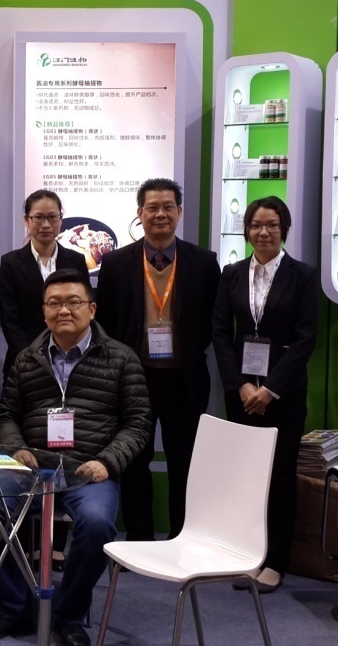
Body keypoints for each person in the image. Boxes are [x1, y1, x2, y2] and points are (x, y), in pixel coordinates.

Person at [0, 269, 151, 646]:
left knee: (97, 523)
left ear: (92, 309)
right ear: (44, 311)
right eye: (54, 303)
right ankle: (13, 607)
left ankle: (68, 613)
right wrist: (16, 447)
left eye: (73, 302)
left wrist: (108, 461)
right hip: (31, 468)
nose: (64, 310)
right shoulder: (27, 359)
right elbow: (6, 414)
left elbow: (138, 423)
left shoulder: (121, 358)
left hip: (88, 469)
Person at [94, 177, 220, 541]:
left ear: (179, 212)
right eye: (152, 207)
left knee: (185, 462)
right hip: (135, 379)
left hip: (185, 379)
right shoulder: (116, 263)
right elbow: (106, 322)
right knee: (134, 462)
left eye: (168, 207)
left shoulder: (204, 262)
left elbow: (212, 322)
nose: (160, 214)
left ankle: (182, 538)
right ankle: (140, 540)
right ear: (140, 213)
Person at [211, 196, 319, 593]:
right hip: (241, 392)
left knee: (280, 476)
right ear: (247, 230)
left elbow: (306, 338)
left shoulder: (302, 275)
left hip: (283, 394)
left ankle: (275, 561)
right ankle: (247, 555)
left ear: (284, 229)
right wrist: (239, 384)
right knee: (245, 476)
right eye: (256, 225)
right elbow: (220, 332)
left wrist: (270, 389)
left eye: (272, 225)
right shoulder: (232, 274)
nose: (264, 232)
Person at [0, 189, 89, 376]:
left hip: (71, 360)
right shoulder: (11, 263)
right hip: (25, 363)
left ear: (61, 220)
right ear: (26, 220)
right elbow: (10, 320)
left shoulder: (76, 260)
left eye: (52, 217)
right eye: (38, 217)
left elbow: (83, 311)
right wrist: (31, 358)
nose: (46, 225)